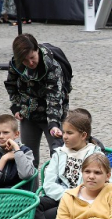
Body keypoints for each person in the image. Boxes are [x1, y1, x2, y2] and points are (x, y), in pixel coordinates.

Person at [5, 33, 69, 168]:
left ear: (37, 50)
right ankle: (29, 189)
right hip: (29, 114)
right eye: (25, 61)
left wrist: (54, 124)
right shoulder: (15, 64)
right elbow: (11, 85)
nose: (30, 63)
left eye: (32, 58)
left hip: (52, 115)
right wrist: (16, 107)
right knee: (28, 159)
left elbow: (54, 97)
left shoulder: (51, 65)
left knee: (58, 155)